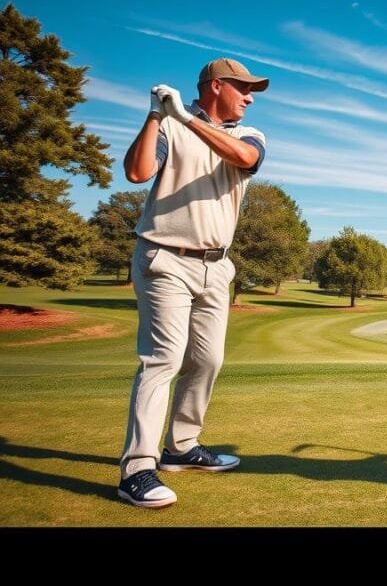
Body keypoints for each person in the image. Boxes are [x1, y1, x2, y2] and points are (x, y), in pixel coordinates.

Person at [117, 58, 269, 508]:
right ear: (216, 85)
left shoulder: (247, 135)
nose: (250, 96)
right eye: (242, 88)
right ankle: (137, 469)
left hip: (217, 266)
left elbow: (245, 159)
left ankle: (181, 448)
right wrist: (156, 115)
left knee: (207, 360)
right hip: (165, 257)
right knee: (162, 360)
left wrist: (184, 116)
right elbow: (137, 172)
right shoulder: (169, 127)